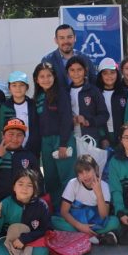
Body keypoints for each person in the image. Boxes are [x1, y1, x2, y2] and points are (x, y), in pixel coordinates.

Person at [0, 169, 51, 255]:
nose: (24, 188)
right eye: (20, 184)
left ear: (35, 189)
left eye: (29, 185)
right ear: (14, 187)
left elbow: (46, 229)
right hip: (6, 238)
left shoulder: (41, 205)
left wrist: (24, 239)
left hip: (30, 238)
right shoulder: (5, 204)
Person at [31, 62, 76, 211]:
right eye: (42, 76)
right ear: (36, 79)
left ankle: (70, 210)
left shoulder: (61, 93)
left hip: (61, 139)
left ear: (54, 77)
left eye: (49, 75)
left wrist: (63, 143)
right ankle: (56, 210)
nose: (46, 79)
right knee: (51, 178)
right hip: (46, 141)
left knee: (67, 177)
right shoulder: (37, 97)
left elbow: (66, 119)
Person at [54, 155, 119, 244]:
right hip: (76, 219)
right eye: (81, 173)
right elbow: (64, 212)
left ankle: (82, 236)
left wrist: (99, 193)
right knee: (54, 221)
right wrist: (79, 226)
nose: (85, 175)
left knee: (114, 222)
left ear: (95, 169)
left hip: (94, 221)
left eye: (88, 170)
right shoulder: (73, 183)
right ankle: (95, 237)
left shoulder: (104, 186)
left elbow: (104, 215)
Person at [0, 118, 43, 211]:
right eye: (11, 134)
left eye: (19, 135)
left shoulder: (29, 156)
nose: (15, 139)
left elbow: (38, 181)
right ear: (3, 135)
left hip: (22, 206)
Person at [66, 55, 109, 142]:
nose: (76, 73)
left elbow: (104, 115)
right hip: (71, 138)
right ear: (67, 73)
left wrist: (88, 121)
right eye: (72, 70)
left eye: (79, 70)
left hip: (91, 138)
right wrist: (70, 120)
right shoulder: (65, 92)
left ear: (85, 71)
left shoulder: (93, 91)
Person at [0, 71, 35, 151]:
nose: (18, 88)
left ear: (27, 87)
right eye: (14, 85)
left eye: (21, 85)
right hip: (11, 147)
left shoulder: (33, 105)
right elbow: (1, 128)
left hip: (31, 147)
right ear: (9, 88)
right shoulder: (5, 106)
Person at [96, 59, 127, 148]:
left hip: (122, 136)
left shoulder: (124, 93)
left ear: (117, 74)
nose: (109, 76)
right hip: (104, 136)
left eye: (112, 72)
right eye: (105, 73)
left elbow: (127, 116)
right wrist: (103, 137)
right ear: (100, 76)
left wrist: (124, 135)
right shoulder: (96, 93)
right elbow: (96, 117)